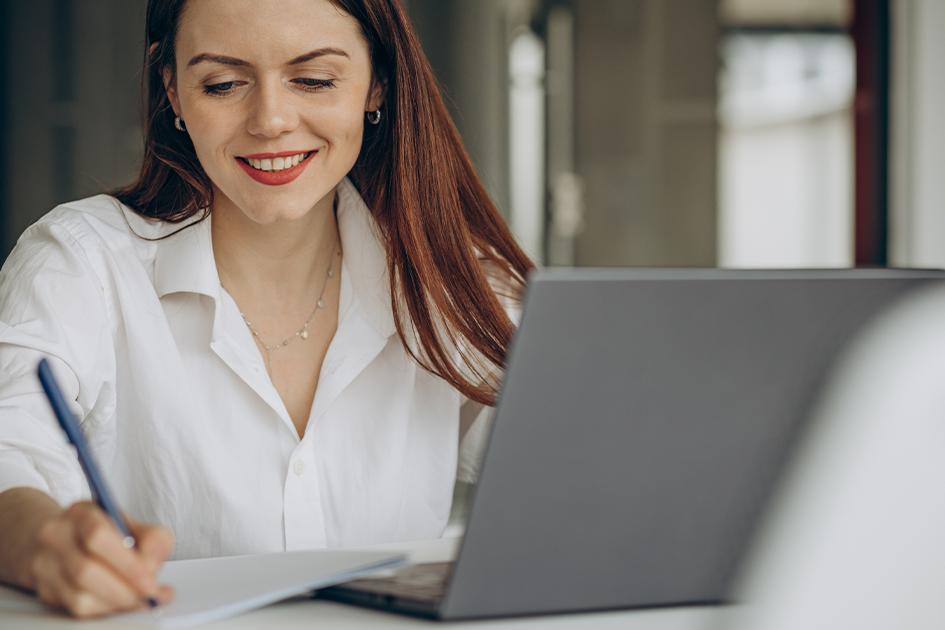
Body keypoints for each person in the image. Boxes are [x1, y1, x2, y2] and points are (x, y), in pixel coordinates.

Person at [0, 0, 532, 618]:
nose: (272, 120)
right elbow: (10, 455)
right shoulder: (81, 262)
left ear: (376, 82)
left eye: (314, 79)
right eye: (223, 84)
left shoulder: (450, 276)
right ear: (172, 89)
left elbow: (572, 466)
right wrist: (46, 545)